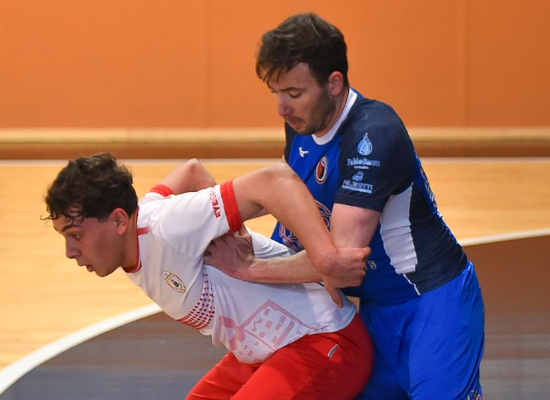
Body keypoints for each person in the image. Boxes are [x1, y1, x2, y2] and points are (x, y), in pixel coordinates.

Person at [204, 12, 485, 400]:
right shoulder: (301, 126)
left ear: (334, 83)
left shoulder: (374, 135)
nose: (282, 108)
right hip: (373, 311)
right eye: (276, 93)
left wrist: (249, 268)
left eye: (294, 94)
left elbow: (339, 262)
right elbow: (298, 215)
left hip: (433, 304)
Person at [43, 153, 373, 400]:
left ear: (118, 221)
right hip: (267, 352)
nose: (70, 251)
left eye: (76, 235)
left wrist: (325, 260)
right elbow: (192, 170)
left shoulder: (170, 225)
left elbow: (276, 180)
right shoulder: (145, 218)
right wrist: (228, 230)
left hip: (325, 341)